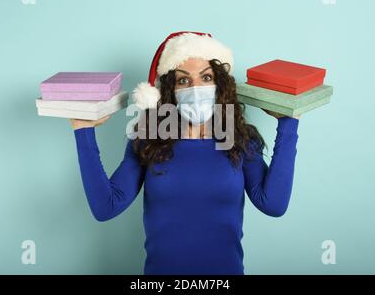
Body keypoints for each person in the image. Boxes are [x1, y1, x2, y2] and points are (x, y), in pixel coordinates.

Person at [69, 31, 300, 275]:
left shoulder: (240, 140)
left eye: (206, 77)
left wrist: (288, 122)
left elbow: (273, 204)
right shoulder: (147, 140)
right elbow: (106, 207)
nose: (196, 89)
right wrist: (83, 130)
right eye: (184, 81)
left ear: (220, 84)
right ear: (170, 90)